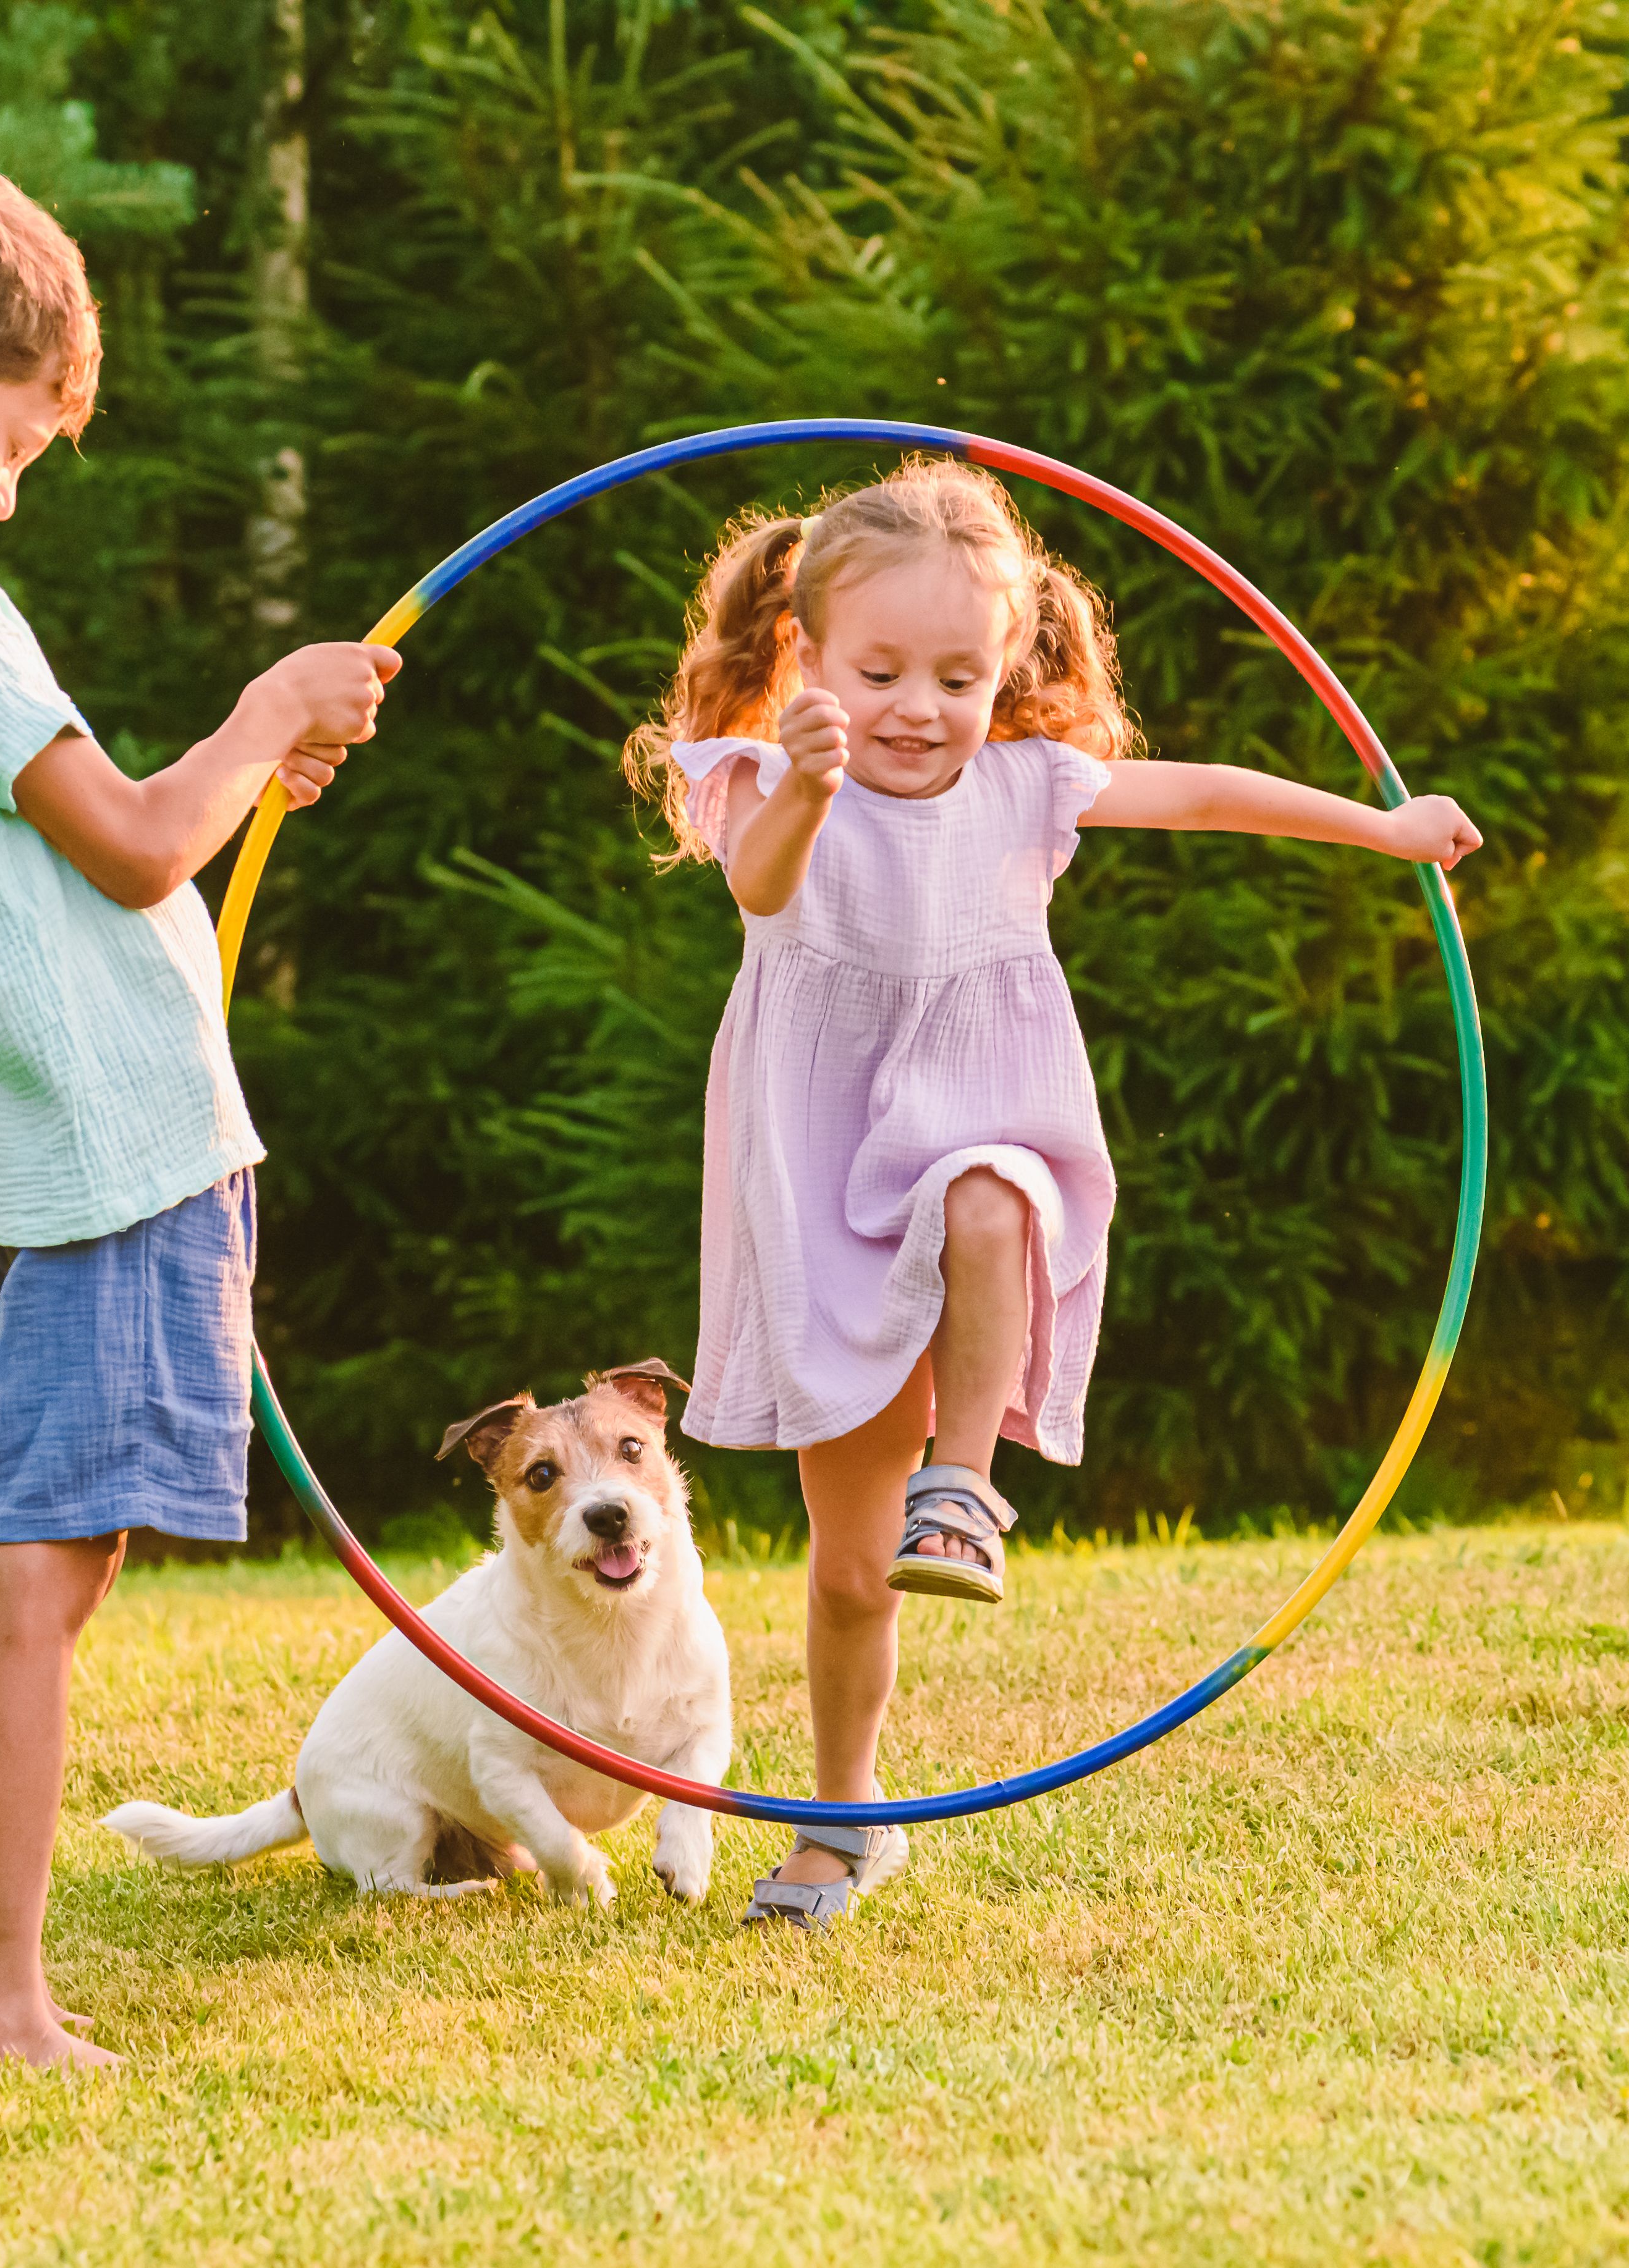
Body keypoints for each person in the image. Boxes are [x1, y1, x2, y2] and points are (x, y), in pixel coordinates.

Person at [622, 458, 1479, 1929]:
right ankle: (843, 1819)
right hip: (812, 1173)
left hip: (973, 1112)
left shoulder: (1025, 789)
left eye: (957, 676)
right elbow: (759, 889)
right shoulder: (769, 778)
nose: (915, 705)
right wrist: (813, 779)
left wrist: (1383, 828)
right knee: (842, 1574)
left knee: (989, 1192)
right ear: (808, 654)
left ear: (1005, 668)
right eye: (878, 669)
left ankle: (962, 1486)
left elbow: (1204, 792)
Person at [0, 135, 397, 2062]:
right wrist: (265, 715)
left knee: (64, 1549)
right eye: (18, 446)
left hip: (55, 1134)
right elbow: (131, 846)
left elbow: (73, 853)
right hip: (106, 1139)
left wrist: (227, 775)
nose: (12, 496)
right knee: (43, 1562)